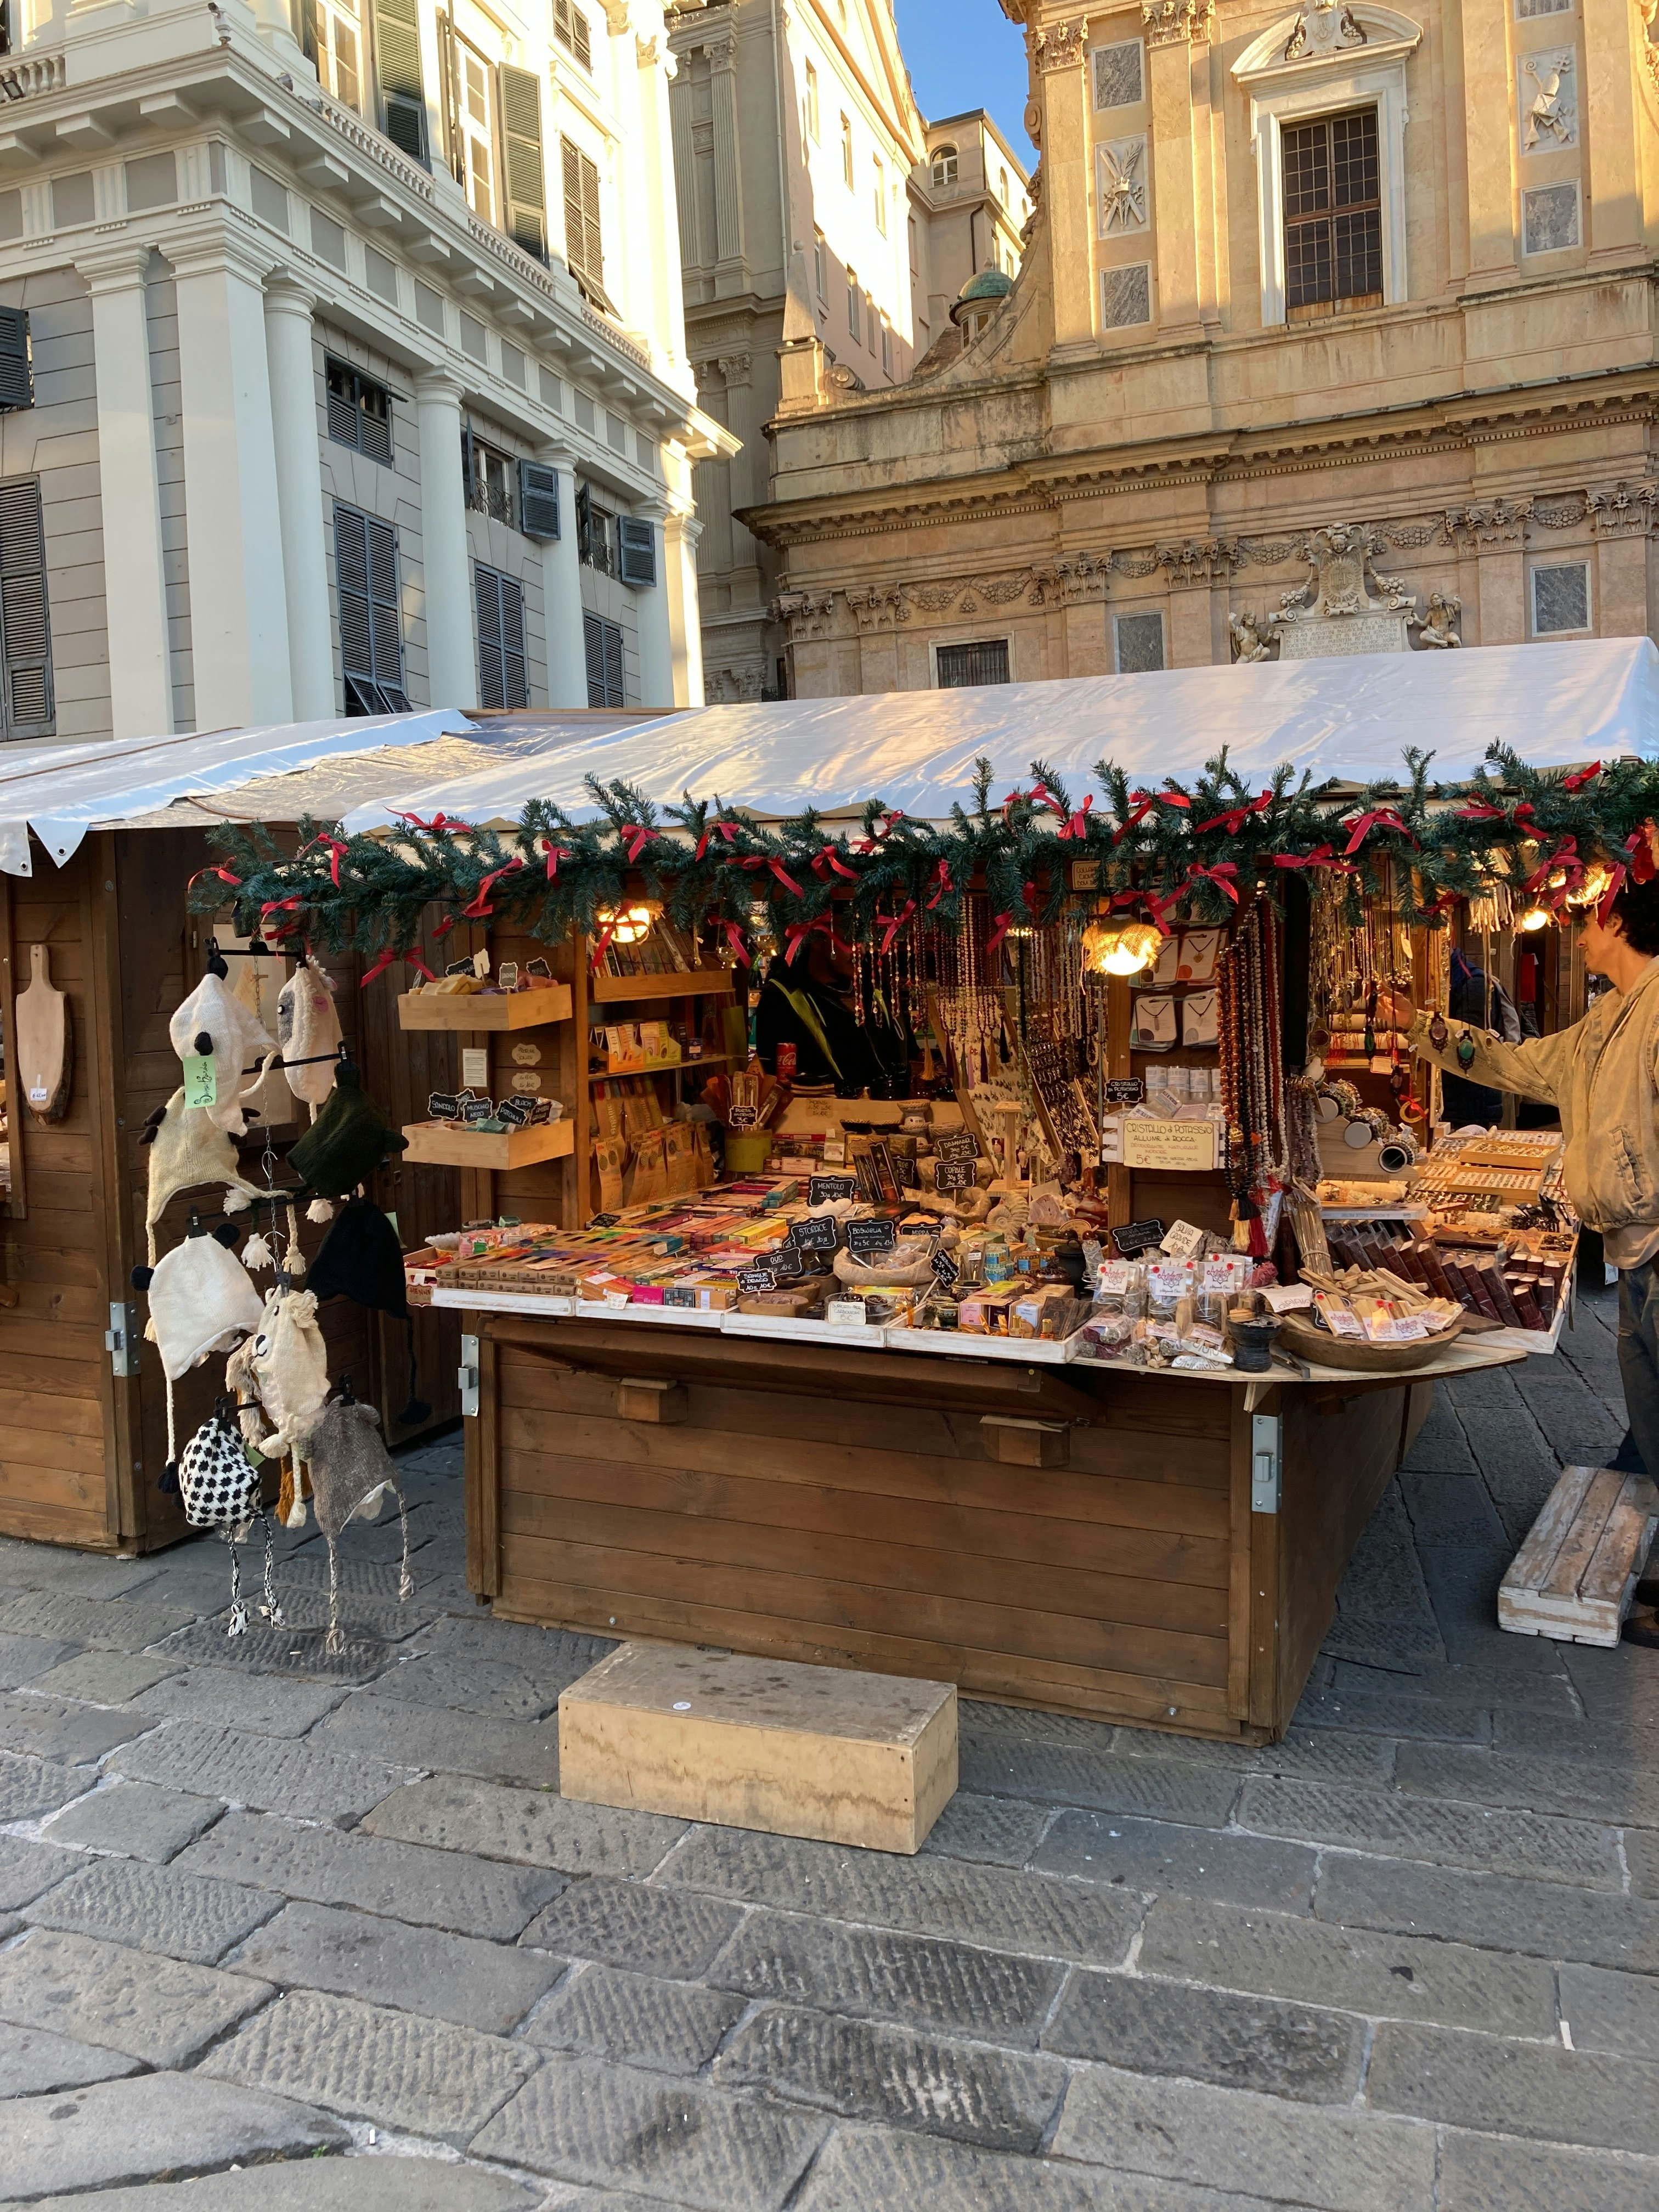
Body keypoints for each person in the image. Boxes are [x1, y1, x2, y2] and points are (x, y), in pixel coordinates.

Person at [1384, 873, 1659, 1641]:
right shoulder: (1607, 1016)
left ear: (1618, 921)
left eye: (1587, 919)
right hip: (1636, 1247)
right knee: (1651, 1409)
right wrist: (1426, 1031)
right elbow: (1519, 1064)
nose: (1577, 932)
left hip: (1658, 1239)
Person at [754, 926, 910, 1097]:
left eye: (864, 941)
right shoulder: (781, 1001)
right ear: (817, 940)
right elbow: (776, 1087)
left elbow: (910, 1057)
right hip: (821, 1118)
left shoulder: (876, 991)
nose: (861, 950)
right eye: (849, 941)